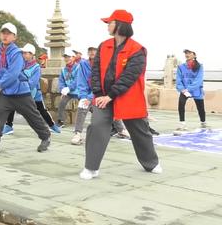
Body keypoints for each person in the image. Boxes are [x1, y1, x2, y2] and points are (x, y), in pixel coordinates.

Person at [80, 10, 161, 180]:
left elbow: (129, 77)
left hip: (128, 97)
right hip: (103, 98)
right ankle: (91, 168)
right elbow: (96, 72)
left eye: (110, 22)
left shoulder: (137, 50)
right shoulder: (104, 45)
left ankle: (151, 163)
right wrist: (98, 94)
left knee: (140, 131)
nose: (108, 25)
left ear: (120, 25)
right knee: (97, 126)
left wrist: (110, 95)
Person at [0, 23, 51, 155]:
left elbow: (13, 73)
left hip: (20, 92)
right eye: (3, 33)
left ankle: (45, 137)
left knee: (33, 116)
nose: (5, 35)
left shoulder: (17, 53)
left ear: (14, 37)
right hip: (4, 93)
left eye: (8, 33)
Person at [5, 44, 61, 135]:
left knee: (41, 110)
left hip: (34, 94)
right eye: (23, 53)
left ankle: (52, 126)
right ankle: (8, 126)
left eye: (27, 53)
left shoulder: (36, 67)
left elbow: (32, 83)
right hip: (20, 92)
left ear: (32, 55)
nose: (24, 55)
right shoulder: (20, 65)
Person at [174, 49, 207, 135]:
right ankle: (182, 124)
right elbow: (178, 80)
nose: (187, 54)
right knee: (181, 104)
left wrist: (188, 89)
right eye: (185, 53)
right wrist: (182, 89)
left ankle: (203, 123)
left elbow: (198, 80)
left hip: (195, 90)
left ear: (194, 55)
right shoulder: (181, 67)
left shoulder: (200, 66)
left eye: (189, 53)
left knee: (201, 108)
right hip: (184, 90)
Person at [55, 52, 80, 127]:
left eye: (68, 57)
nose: (67, 59)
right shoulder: (63, 69)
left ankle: (103, 122)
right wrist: (63, 89)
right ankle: (60, 121)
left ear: (73, 57)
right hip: (68, 92)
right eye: (65, 57)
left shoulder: (79, 67)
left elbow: (77, 80)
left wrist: (69, 88)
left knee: (88, 106)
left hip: (79, 91)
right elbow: (61, 81)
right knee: (61, 103)